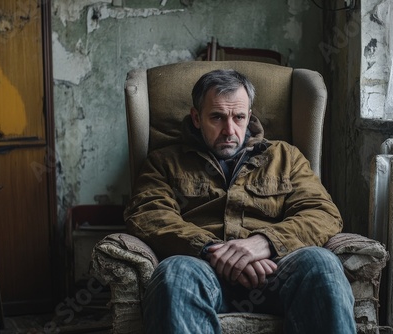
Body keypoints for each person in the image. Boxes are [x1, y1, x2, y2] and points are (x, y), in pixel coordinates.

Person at [124, 69, 356, 333]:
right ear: (197, 118)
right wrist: (212, 250)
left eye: (239, 117)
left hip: (274, 270)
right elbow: (148, 214)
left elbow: (322, 212)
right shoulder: (164, 162)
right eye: (217, 117)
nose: (229, 130)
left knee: (322, 264)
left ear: (249, 116)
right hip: (202, 270)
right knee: (174, 273)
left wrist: (264, 243)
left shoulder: (286, 157)